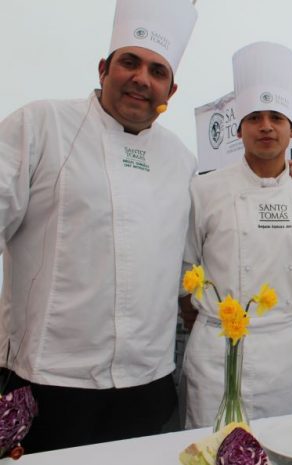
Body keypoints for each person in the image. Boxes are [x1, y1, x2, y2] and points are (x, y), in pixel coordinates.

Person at [0, 0, 198, 452]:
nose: (142, 78)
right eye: (130, 62)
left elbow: (190, 266)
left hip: (147, 384)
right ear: (103, 68)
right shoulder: (40, 124)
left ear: (171, 90)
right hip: (47, 382)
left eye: (157, 70)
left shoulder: (181, 160)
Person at [181, 41, 292, 427]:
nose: (266, 126)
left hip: (283, 356)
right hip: (215, 356)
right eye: (255, 117)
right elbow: (186, 270)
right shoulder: (204, 190)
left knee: (281, 448)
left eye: (276, 117)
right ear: (239, 127)